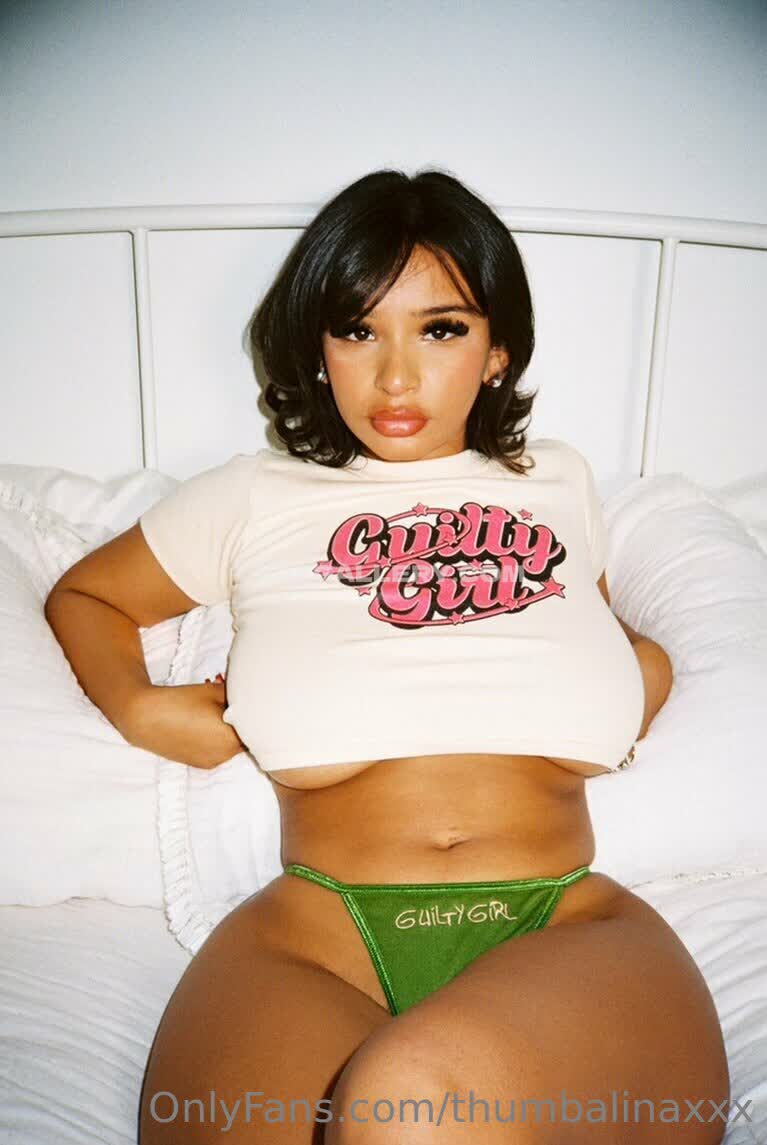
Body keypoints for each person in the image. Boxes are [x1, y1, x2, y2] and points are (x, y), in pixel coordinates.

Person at [46, 169, 730, 1144]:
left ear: (497, 351)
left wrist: (641, 668)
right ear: (318, 350)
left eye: (440, 329)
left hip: (565, 925)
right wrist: (139, 704)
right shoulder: (252, 494)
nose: (396, 377)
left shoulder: (557, 483)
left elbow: (586, 629)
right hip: (313, 941)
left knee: (405, 1098)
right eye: (357, 330)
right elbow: (87, 594)